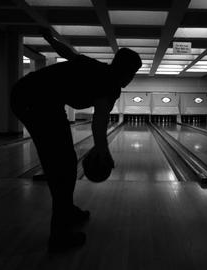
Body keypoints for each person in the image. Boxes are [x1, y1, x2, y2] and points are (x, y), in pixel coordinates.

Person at [10, 28, 142, 252]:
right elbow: (99, 122)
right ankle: (59, 235)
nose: (132, 78)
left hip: (40, 98)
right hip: (33, 99)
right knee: (61, 167)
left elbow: (67, 52)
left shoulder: (98, 67)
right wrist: (103, 152)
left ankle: (67, 211)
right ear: (125, 71)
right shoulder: (111, 85)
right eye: (132, 73)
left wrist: (49, 38)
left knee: (65, 163)